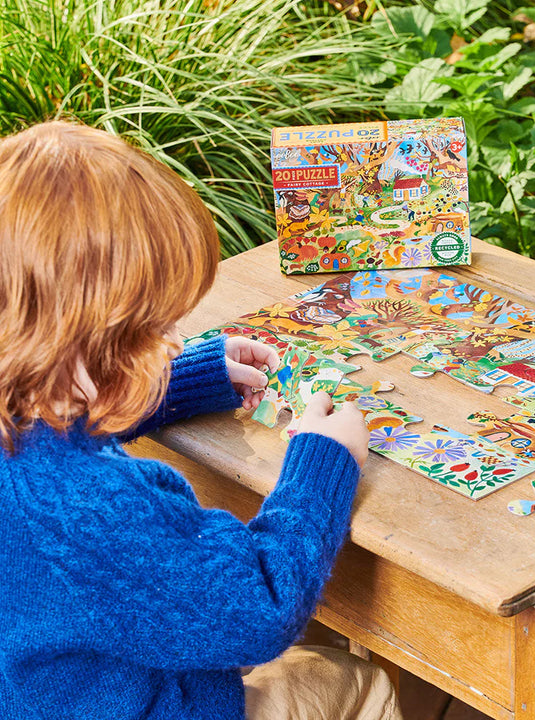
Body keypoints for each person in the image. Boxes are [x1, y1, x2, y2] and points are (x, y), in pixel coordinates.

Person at [0, 121, 403, 720]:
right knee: (357, 679)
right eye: (150, 331)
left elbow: (58, 429)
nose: (172, 341)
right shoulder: (92, 509)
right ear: (76, 346)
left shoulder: (23, 402)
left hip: (43, 691)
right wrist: (323, 465)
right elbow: (261, 610)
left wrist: (181, 381)